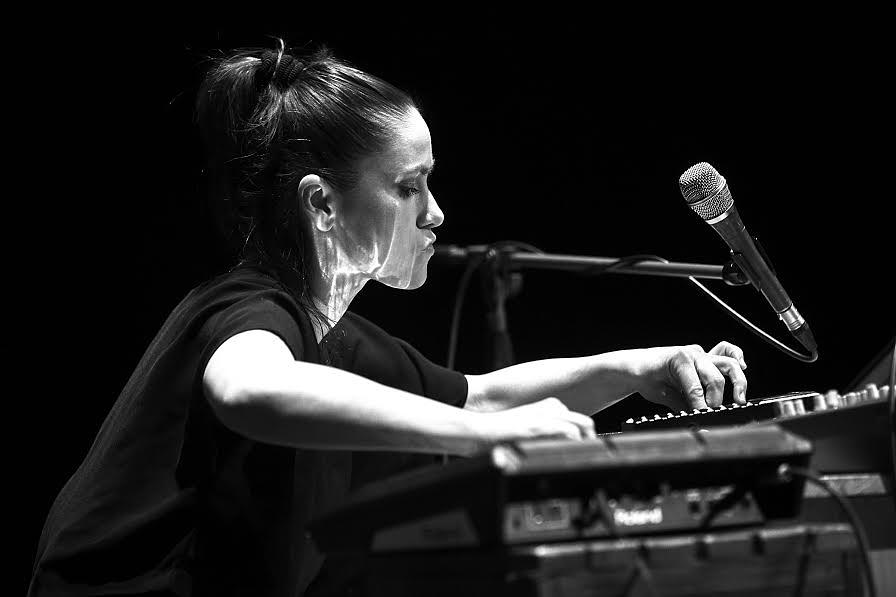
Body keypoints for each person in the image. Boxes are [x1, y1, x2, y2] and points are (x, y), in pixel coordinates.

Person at [29, 42, 748, 597]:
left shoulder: (335, 338)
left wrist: (637, 367)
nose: (436, 213)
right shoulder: (250, 309)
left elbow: (481, 396)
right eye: (409, 187)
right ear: (321, 203)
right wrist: (486, 440)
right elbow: (248, 389)